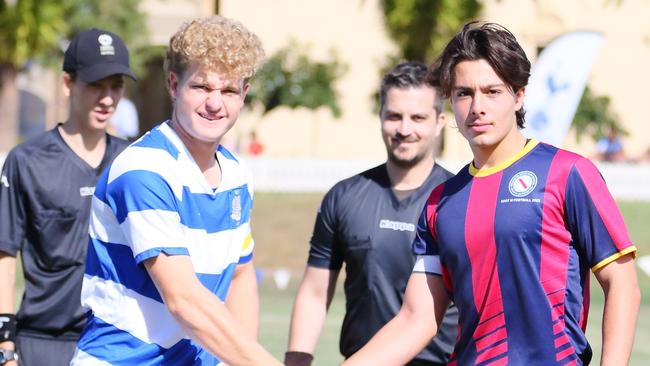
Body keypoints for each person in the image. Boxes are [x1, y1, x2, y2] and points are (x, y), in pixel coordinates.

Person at [343, 21, 640, 366]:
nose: (476, 107)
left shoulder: (568, 173)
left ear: (518, 95)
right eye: (464, 93)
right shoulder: (441, 203)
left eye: (492, 91)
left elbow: (622, 285)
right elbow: (416, 319)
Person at [70, 16, 283, 365]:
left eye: (228, 90)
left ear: (244, 94)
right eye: (201, 87)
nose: (215, 104)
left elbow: (241, 273)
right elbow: (184, 300)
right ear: (173, 84)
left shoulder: (237, 174)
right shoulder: (145, 170)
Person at [285, 62, 458, 366]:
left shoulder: (459, 199)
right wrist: (296, 361)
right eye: (394, 116)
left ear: (440, 121)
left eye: (418, 117)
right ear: (380, 117)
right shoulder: (344, 197)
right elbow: (314, 292)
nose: (404, 129)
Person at [0, 28, 135, 366]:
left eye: (115, 86)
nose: (107, 99)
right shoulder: (27, 160)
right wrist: (4, 345)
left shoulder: (134, 163)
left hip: (114, 342)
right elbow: (4, 254)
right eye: (95, 85)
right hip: (43, 343)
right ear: (67, 84)